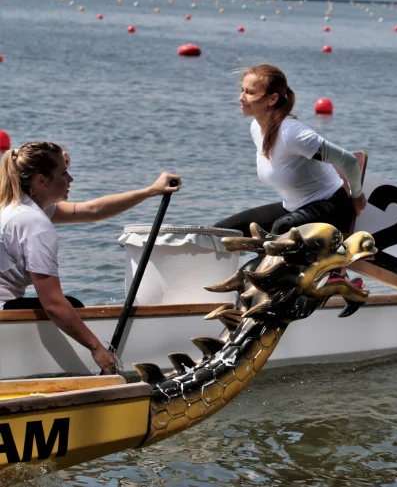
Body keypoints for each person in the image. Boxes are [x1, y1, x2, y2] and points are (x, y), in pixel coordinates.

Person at [0, 141, 182, 374]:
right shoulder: (34, 224)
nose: (71, 179)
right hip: (4, 312)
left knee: (71, 309)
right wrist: (96, 347)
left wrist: (151, 191)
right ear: (41, 180)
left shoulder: (15, 204)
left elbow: (93, 210)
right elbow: (53, 305)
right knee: (71, 307)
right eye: (64, 173)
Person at [215, 64, 367, 242]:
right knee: (221, 231)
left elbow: (348, 160)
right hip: (294, 209)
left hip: (332, 208)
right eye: (242, 90)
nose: (241, 98)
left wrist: (357, 196)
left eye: (249, 92)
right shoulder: (256, 128)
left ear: (272, 99)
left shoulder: (294, 135)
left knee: (282, 228)